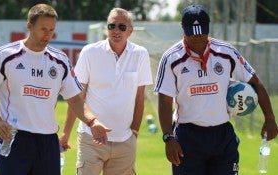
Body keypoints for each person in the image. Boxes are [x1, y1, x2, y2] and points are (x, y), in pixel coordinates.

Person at [0, 3, 110, 175]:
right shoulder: (6, 55)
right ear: (29, 26)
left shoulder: (60, 60)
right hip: (14, 138)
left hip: (48, 142)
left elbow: (75, 99)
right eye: (43, 29)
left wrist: (92, 121)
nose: (48, 34)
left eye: (51, 30)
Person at [154, 4, 278, 175]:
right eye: (192, 32)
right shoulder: (171, 58)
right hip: (188, 137)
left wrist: (270, 118)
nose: (198, 37)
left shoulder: (226, 52)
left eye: (202, 32)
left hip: (222, 135)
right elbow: (165, 100)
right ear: (183, 28)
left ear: (209, 27)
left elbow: (255, 82)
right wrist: (168, 137)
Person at [66, 7, 153, 175]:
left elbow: (139, 99)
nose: (116, 30)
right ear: (107, 28)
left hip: (124, 142)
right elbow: (78, 97)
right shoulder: (89, 52)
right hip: (90, 139)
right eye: (112, 26)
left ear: (130, 31)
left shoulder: (140, 54)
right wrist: (66, 133)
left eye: (122, 27)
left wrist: (134, 133)